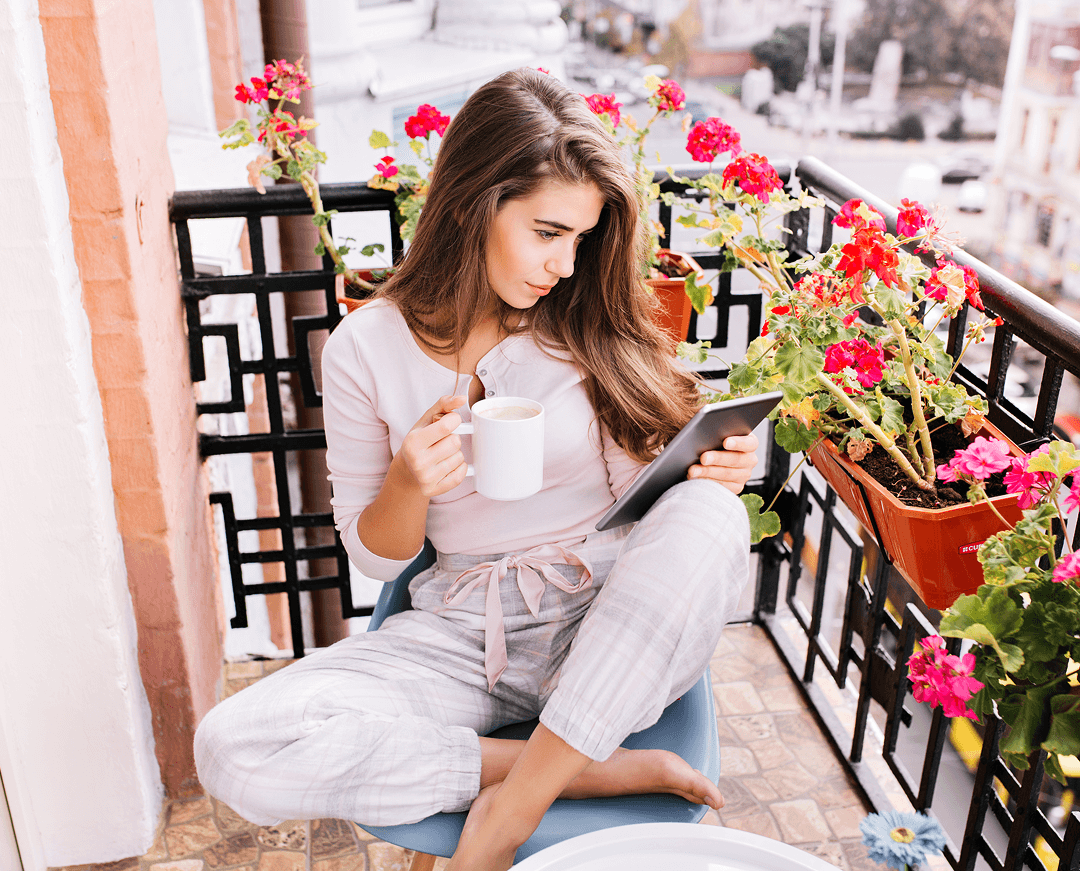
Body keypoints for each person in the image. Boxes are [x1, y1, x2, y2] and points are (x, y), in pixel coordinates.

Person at [194, 67, 758, 871]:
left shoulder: (587, 318)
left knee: (712, 516)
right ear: (474, 202)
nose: (566, 264)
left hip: (615, 624)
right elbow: (376, 555)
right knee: (236, 744)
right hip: (464, 631)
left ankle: (511, 811)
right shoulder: (367, 347)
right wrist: (407, 485)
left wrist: (716, 469)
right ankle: (583, 772)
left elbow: (662, 497)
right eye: (546, 231)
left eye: (582, 238)